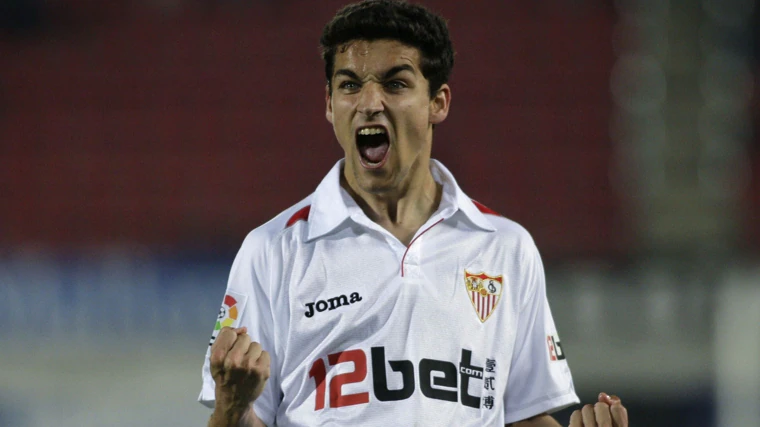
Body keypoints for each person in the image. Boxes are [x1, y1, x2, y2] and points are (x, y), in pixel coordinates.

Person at [198, 1, 629, 426]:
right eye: (349, 85)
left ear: (438, 102)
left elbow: (523, 417)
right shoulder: (273, 251)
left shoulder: (505, 247)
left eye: (395, 84)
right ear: (329, 104)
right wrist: (230, 408)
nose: (369, 102)